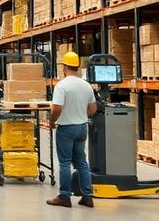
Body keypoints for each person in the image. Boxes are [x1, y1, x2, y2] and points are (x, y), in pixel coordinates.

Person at [47, 51, 97, 208]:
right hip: (82, 127)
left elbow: (56, 108)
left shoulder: (62, 86)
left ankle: (64, 196)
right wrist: (80, 114)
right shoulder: (86, 85)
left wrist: (52, 121)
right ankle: (87, 196)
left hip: (66, 129)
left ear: (65, 67)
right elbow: (93, 108)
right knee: (82, 162)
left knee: (64, 163)